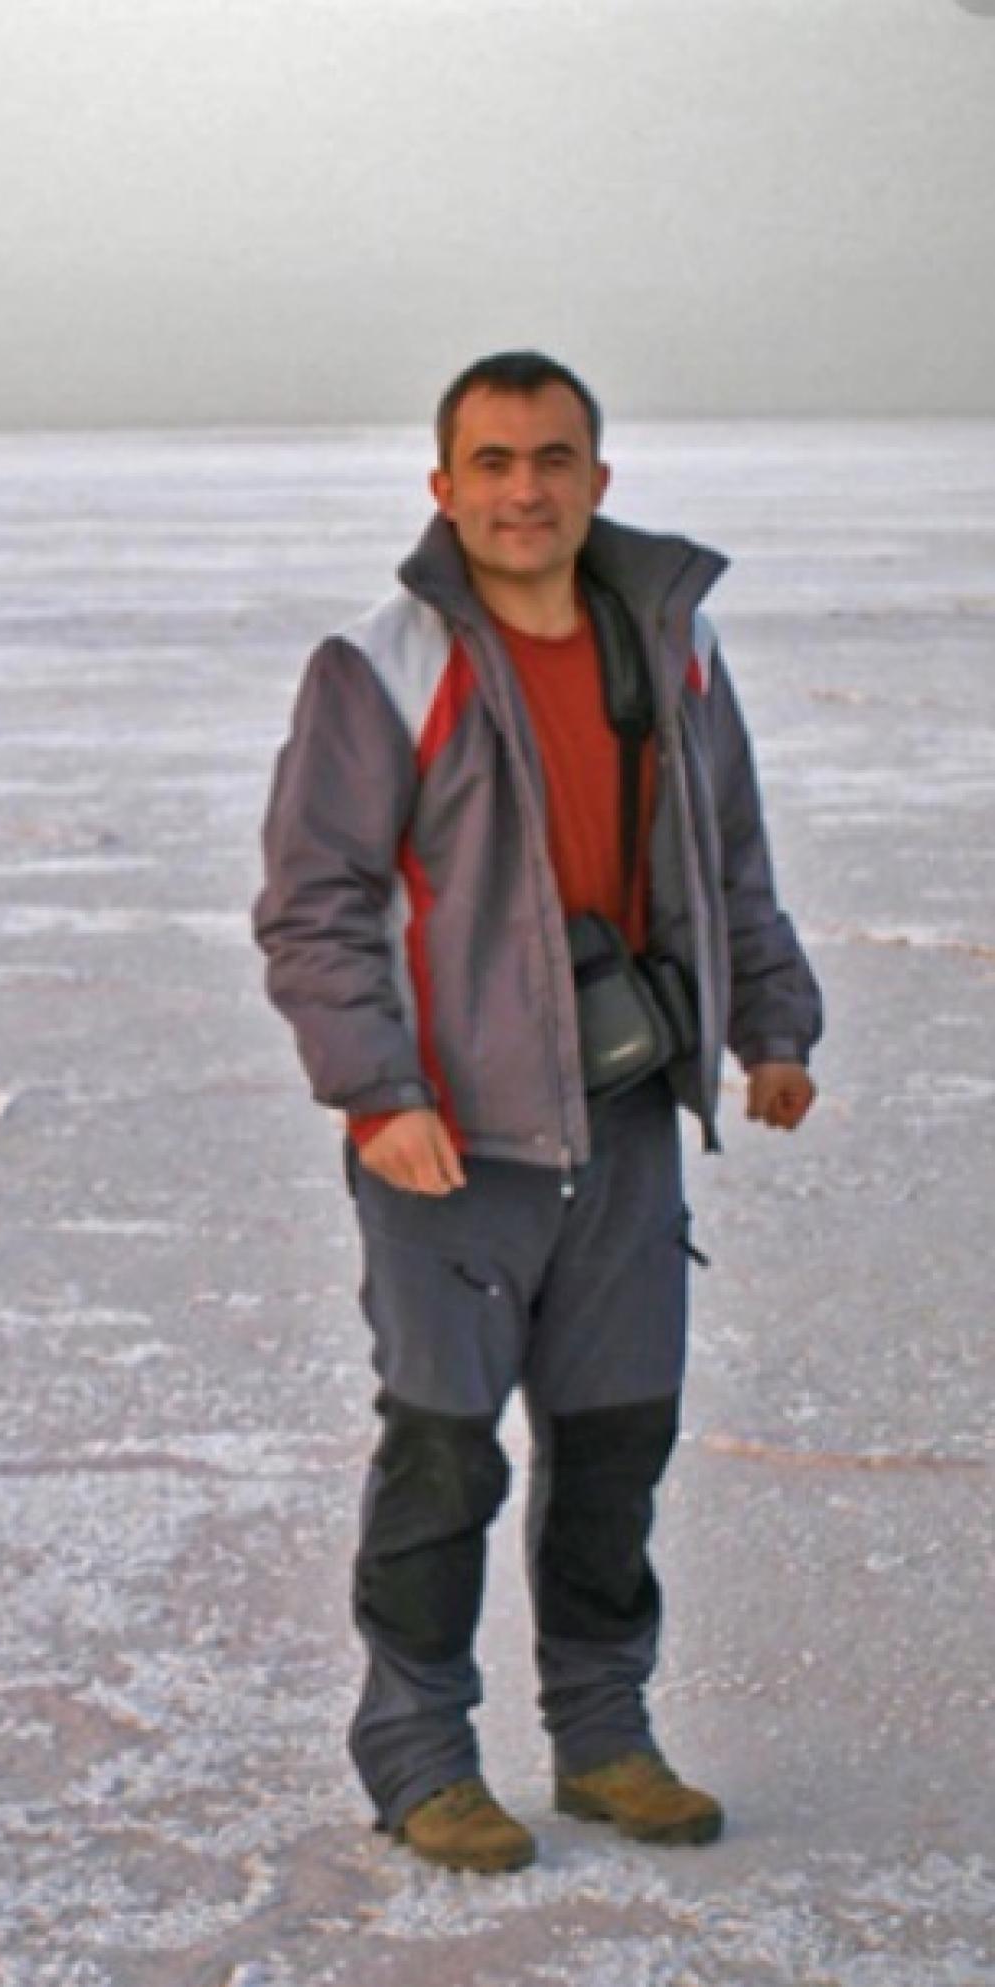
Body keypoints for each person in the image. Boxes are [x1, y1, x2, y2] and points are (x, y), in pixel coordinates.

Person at [252, 351, 823, 1874]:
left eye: (553, 459)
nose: (525, 490)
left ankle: (603, 1737)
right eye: (493, 462)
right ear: (442, 489)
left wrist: (769, 1023)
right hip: (450, 1142)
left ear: (598, 481)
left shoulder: (675, 653)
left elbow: (733, 858)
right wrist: (375, 1095)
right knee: (444, 1461)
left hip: (627, 1121)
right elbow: (312, 911)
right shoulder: (379, 667)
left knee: (615, 1452)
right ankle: (421, 1756)